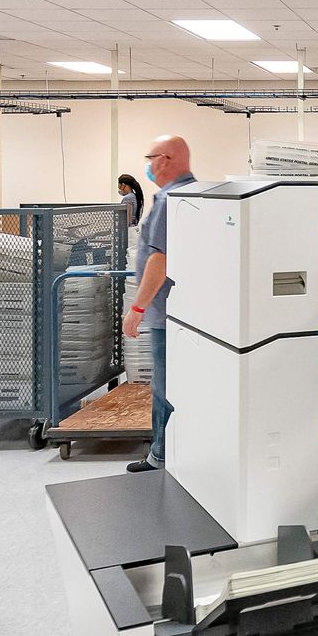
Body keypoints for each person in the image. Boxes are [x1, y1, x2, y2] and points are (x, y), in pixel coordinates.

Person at [121, 134, 196, 474]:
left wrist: (137, 308)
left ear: (165, 159)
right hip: (183, 310)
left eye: (151, 158)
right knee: (177, 385)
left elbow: (159, 260)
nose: (148, 166)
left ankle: (161, 456)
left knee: (165, 388)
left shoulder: (170, 200)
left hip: (165, 311)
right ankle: (175, 452)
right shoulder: (193, 194)